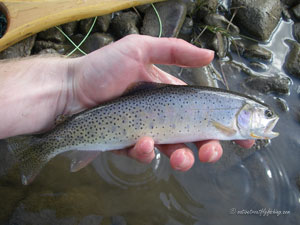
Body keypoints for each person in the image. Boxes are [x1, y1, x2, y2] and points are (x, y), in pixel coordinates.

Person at [0, 34, 254, 171]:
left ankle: (35, 149)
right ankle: (39, 148)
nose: (267, 120)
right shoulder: (229, 116)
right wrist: (69, 84)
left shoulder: (229, 114)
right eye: (264, 114)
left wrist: (69, 85)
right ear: (244, 112)